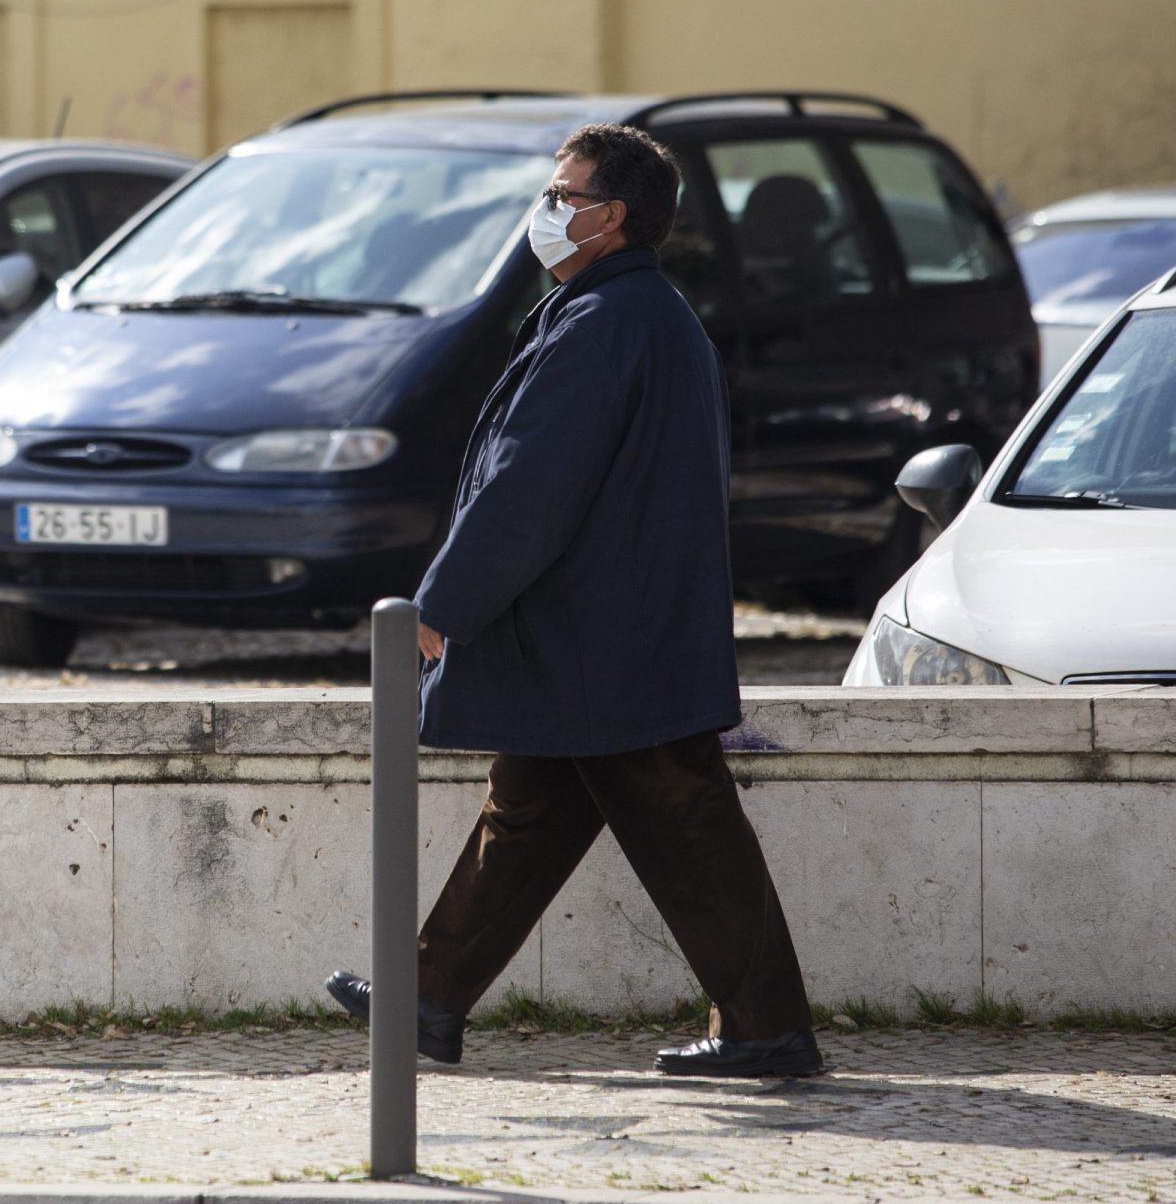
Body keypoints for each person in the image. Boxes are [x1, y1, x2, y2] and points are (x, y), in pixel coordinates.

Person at [326, 123, 821, 1079]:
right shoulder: (634, 314)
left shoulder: (605, 324)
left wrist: (441, 605)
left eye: (565, 195)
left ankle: (767, 1029)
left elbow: (527, 485)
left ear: (613, 217)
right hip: (604, 636)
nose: (547, 211)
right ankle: (429, 998)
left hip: (604, 640)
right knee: (525, 814)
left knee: (687, 823)